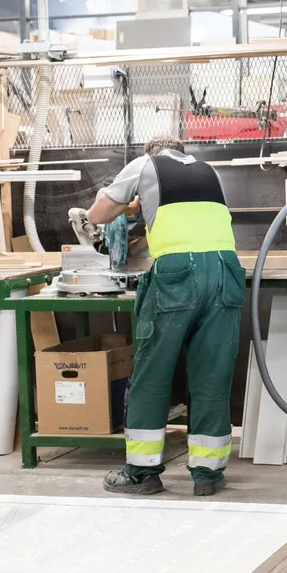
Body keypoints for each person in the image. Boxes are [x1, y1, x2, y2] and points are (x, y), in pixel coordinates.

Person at [76, 136, 245, 496]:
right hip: (225, 270)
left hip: (178, 275)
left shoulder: (145, 166)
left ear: (151, 153)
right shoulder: (209, 172)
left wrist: (126, 207)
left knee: (153, 374)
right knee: (213, 375)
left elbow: (97, 215)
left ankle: (142, 474)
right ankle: (208, 476)